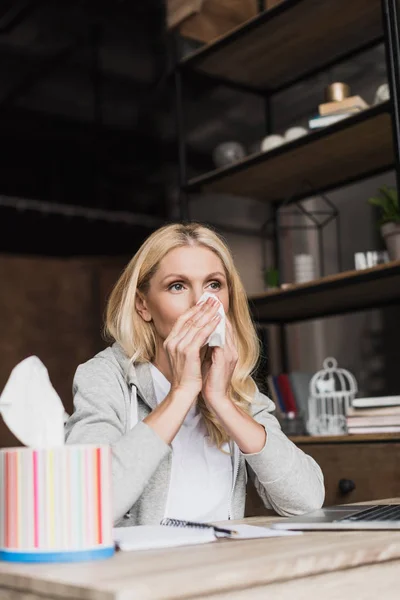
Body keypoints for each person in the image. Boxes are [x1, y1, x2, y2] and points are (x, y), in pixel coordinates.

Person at [65, 223, 324, 526]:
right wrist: (182, 392)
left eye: (214, 285)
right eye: (178, 286)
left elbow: (306, 502)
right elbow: (84, 506)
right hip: (141, 569)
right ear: (143, 305)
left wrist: (222, 401)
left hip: (218, 566)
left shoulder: (234, 381)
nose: (201, 303)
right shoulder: (105, 376)